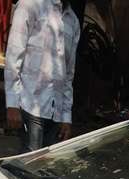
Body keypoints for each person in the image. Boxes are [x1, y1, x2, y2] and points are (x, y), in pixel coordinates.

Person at [4, 0, 80, 151]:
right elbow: (14, 54)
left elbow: (69, 73)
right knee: (29, 163)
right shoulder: (30, 5)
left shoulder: (73, 20)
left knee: (45, 168)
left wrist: (66, 117)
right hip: (30, 104)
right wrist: (12, 103)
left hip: (55, 112)